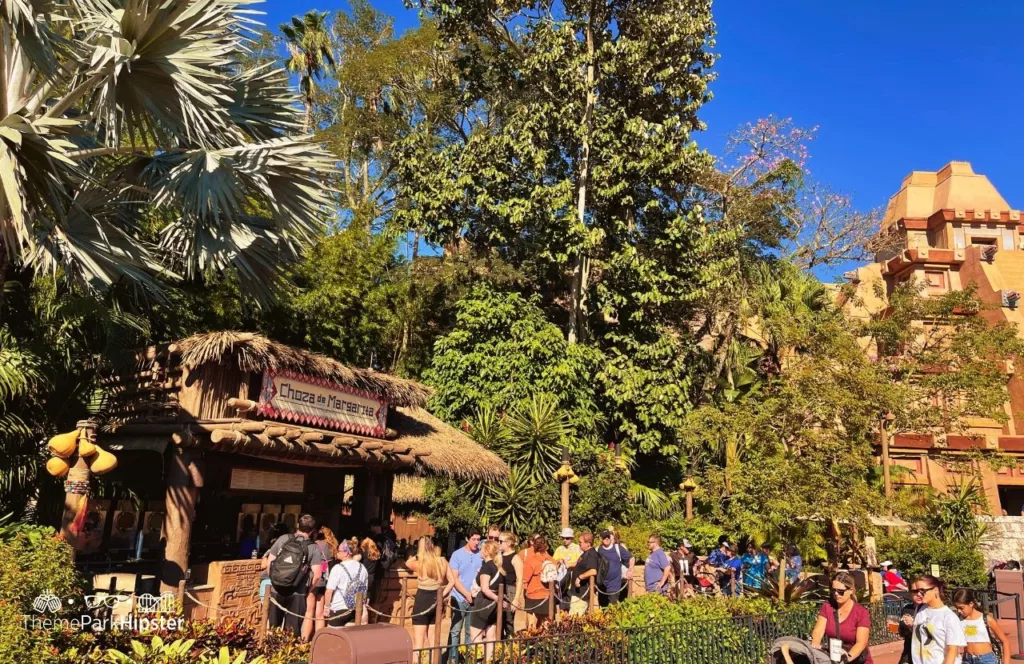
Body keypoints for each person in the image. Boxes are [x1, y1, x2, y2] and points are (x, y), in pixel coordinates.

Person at [266, 514, 323, 639]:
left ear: (298, 526)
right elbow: (317, 575)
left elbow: (269, 563)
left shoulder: (283, 539)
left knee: (273, 627)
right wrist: (309, 589)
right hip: (298, 591)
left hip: (277, 589)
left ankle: (269, 652)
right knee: (292, 630)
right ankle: (288, 655)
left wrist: (275, 580)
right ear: (313, 530)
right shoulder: (313, 548)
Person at [810, 571, 872, 664]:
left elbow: (861, 643)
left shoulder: (861, 613)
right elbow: (818, 631)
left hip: (855, 660)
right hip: (834, 659)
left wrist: (846, 658)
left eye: (840, 591)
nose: (836, 594)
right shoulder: (827, 607)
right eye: (833, 590)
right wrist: (816, 643)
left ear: (851, 590)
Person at [406, 536, 450, 653]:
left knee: (418, 643)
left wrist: (417, 554)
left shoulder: (420, 562)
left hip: (422, 599)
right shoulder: (442, 561)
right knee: (434, 641)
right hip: (436, 598)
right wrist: (443, 594)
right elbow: (452, 582)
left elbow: (407, 563)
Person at [909, 575, 966, 664]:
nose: (919, 594)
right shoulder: (920, 609)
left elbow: (952, 650)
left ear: (935, 590)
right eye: (916, 591)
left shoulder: (949, 617)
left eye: (922, 591)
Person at [446, 529, 482, 662]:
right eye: (474, 539)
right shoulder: (457, 555)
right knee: (455, 631)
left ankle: (467, 658)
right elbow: (454, 579)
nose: (476, 542)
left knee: (470, 631)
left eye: (478, 539)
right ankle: (453, 657)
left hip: (475, 599)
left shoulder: (481, 555)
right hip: (459, 598)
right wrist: (466, 594)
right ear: (467, 539)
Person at [953, 588, 1010, 664]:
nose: (959, 611)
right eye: (957, 608)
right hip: (967, 659)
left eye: (961, 608)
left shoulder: (986, 619)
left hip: (986, 660)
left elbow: (1005, 641)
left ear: (971, 604)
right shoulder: (958, 620)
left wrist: (1006, 662)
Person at [322, 540, 368, 628]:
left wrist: (326, 607)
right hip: (356, 610)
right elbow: (364, 590)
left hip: (339, 608)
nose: (337, 552)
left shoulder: (337, 568)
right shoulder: (362, 568)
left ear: (346, 553)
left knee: (332, 637)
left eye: (339, 550)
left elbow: (329, 591)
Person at [471, 540, 503, 661]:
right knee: (491, 635)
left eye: (481, 549)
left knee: (475, 635)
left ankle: (479, 660)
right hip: (494, 605)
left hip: (484, 603)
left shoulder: (486, 567)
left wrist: (497, 599)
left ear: (485, 552)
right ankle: (489, 660)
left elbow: (485, 589)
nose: (479, 551)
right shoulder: (497, 567)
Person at [522, 534, 555, 625]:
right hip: (548, 595)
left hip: (533, 595)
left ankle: (532, 639)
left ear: (534, 546)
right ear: (545, 546)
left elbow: (525, 579)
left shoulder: (531, 561)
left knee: (532, 626)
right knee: (546, 624)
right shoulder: (551, 560)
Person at [310, 527, 338, 635]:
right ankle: (319, 635)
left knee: (309, 612)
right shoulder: (330, 547)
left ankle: (305, 638)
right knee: (319, 613)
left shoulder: (313, 545)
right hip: (324, 580)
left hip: (313, 579)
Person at [597, 529, 632, 606]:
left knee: (613, 608)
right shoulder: (597, 550)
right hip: (602, 586)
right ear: (600, 538)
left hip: (614, 586)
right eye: (604, 537)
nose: (606, 539)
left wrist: (630, 570)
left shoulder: (618, 548)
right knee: (603, 609)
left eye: (608, 537)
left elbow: (631, 558)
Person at [497, 531, 522, 638]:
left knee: (508, 621)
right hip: (498, 590)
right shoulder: (499, 556)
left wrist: (516, 599)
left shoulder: (515, 558)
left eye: (501, 541)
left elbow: (520, 579)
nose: (498, 543)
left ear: (508, 543)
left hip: (510, 590)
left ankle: (510, 648)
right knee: (498, 621)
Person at [569, 532, 600, 615]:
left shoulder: (592, 554)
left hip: (582, 593)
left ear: (588, 544)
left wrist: (580, 577)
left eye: (580, 542)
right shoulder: (585, 553)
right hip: (577, 592)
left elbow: (593, 571)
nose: (579, 544)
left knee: (574, 619)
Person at [259, 522, 290, 600]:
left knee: (265, 607)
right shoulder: (291, 545)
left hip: (269, 579)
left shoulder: (272, 545)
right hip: (285, 581)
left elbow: (264, 565)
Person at [360, 537, 382, 607]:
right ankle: (366, 608)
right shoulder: (376, 554)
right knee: (368, 594)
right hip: (371, 577)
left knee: (361, 596)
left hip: (363, 577)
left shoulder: (364, 554)